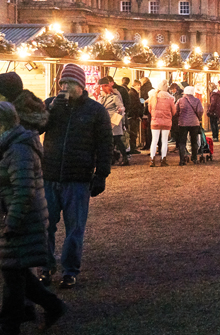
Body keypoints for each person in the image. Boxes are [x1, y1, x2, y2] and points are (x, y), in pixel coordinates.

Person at [40, 64, 112, 289]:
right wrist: (50, 110)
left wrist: (101, 174)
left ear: (80, 85)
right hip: (49, 175)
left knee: (74, 228)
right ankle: (46, 267)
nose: (64, 87)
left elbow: (104, 145)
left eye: (69, 83)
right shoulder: (51, 105)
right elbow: (37, 128)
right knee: (45, 225)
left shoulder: (95, 110)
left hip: (78, 178)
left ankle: (70, 271)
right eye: (62, 83)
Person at [0, 102, 67, 333]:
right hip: (18, 217)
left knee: (13, 274)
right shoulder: (10, 145)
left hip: (22, 220)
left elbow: (24, 189)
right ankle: (53, 305)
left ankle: (10, 326)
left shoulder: (19, 149)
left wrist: (12, 222)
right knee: (16, 272)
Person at [97, 77, 128, 167]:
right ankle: (113, 158)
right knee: (111, 141)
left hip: (115, 121)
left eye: (103, 86)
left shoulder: (115, 97)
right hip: (106, 121)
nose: (102, 88)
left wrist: (119, 110)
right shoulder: (102, 97)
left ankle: (124, 158)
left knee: (117, 140)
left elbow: (122, 107)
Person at [148, 80, 176, 167]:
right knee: (164, 141)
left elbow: (149, 109)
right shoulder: (170, 98)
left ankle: (152, 159)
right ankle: (163, 159)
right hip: (166, 122)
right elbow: (174, 111)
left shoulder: (153, 97)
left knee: (154, 140)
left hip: (155, 121)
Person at [175, 86, 204, 165]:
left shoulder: (180, 100)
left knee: (182, 141)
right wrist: (198, 117)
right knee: (194, 140)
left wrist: (179, 116)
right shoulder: (197, 101)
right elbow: (200, 110)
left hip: (183, 123)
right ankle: (194, 158)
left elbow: (176, 110)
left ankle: (182, 160)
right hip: (194, 123)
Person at [127, 80, 142, 154]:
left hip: (133, 116)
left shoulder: (132, 92)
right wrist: (136, 115)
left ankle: (133, 147)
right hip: (133, 116)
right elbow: (134, 106)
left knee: (133, 132)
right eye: (138, 85)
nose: (139, 87)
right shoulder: (133, 93)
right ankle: (132, 148)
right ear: (135, 85)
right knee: (133, 132)